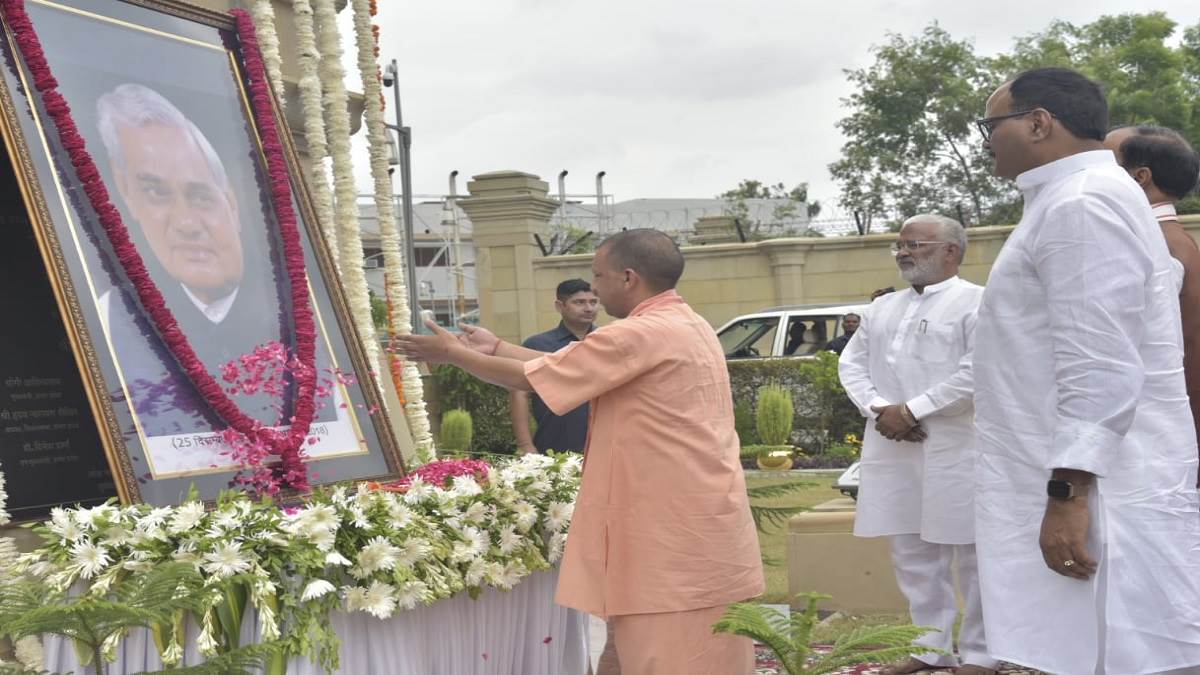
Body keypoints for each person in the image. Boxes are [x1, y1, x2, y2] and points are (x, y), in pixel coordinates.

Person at [395, 229, 763, 675]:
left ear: (628, 278)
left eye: (599, 277)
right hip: (701, 521)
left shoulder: (639, 333)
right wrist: (495, 348)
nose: (595, 289)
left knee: (667, 653)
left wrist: (454, 354)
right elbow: (568, 362)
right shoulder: (687, 322)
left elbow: (534, 379)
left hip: (667, 531)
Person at [972, 67, 1200, 674]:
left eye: (991, 125)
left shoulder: (1083, 203)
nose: (986, 140)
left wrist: (1067, 493)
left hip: (1102, 491)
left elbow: (1099, 363)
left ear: (1039, 122)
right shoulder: (1070, 199)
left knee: (1122, 652)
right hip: (1093, 479)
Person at [93, 83, 338, 469]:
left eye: (201, 196)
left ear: (233, 202)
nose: (187, 224)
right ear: (127, 194)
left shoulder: (303, 321)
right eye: (156, 194)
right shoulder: (110, 320)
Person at [838, 215, 996, 675]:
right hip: (893, 445)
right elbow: (852, 366)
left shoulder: (978, 303)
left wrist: (914, 410)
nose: (903, 252)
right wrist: (880, 409)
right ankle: (929, 648)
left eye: (915, 244)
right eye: (899, 246)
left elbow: (977, 370)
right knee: (911, 551)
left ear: (951, 250)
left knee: (971, 553)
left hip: (957, 444)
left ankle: (982, 652)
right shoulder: (881, 310)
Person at [1103, 125, 1200, 479]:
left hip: (1151, 439)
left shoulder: (1154, 244)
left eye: (1104, 161)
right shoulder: (1174, 239)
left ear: (1140, 177)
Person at [509, 279, 598, 455]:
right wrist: (525, 445)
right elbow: (519, 394)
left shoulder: (607, 341)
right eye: (579, 302)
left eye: (593, 302)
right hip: (553, 445)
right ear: (560, 306)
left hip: (604, 445)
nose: (589, 308)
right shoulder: (537, 344)